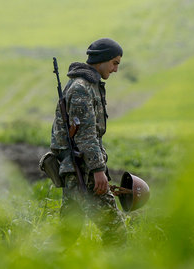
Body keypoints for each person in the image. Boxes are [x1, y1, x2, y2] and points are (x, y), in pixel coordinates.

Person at [50, 38, 127, 247]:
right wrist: (97, 169)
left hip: (79, 169)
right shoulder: (82, 87)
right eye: (115, 63)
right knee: (115, 231)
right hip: (83, 171)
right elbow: (85, 133)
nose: (115, 69)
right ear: (102, 60)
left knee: (67, 233)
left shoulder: (89, 85)